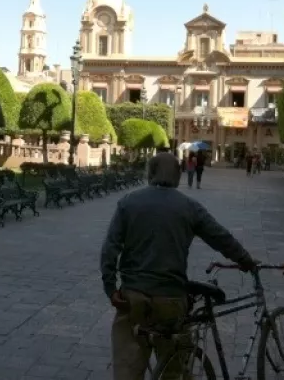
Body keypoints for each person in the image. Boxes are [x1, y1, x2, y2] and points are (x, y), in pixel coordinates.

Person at [100, 152, 258, 380]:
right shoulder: (189, 207)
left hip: (133, 296)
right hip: (171, 298)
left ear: (150, 173)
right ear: (178, 176)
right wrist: (245, 260)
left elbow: (110, 248)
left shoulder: (128, 202)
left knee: (127, 369)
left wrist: (110, 288)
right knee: (174, 369)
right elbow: (220, 237)